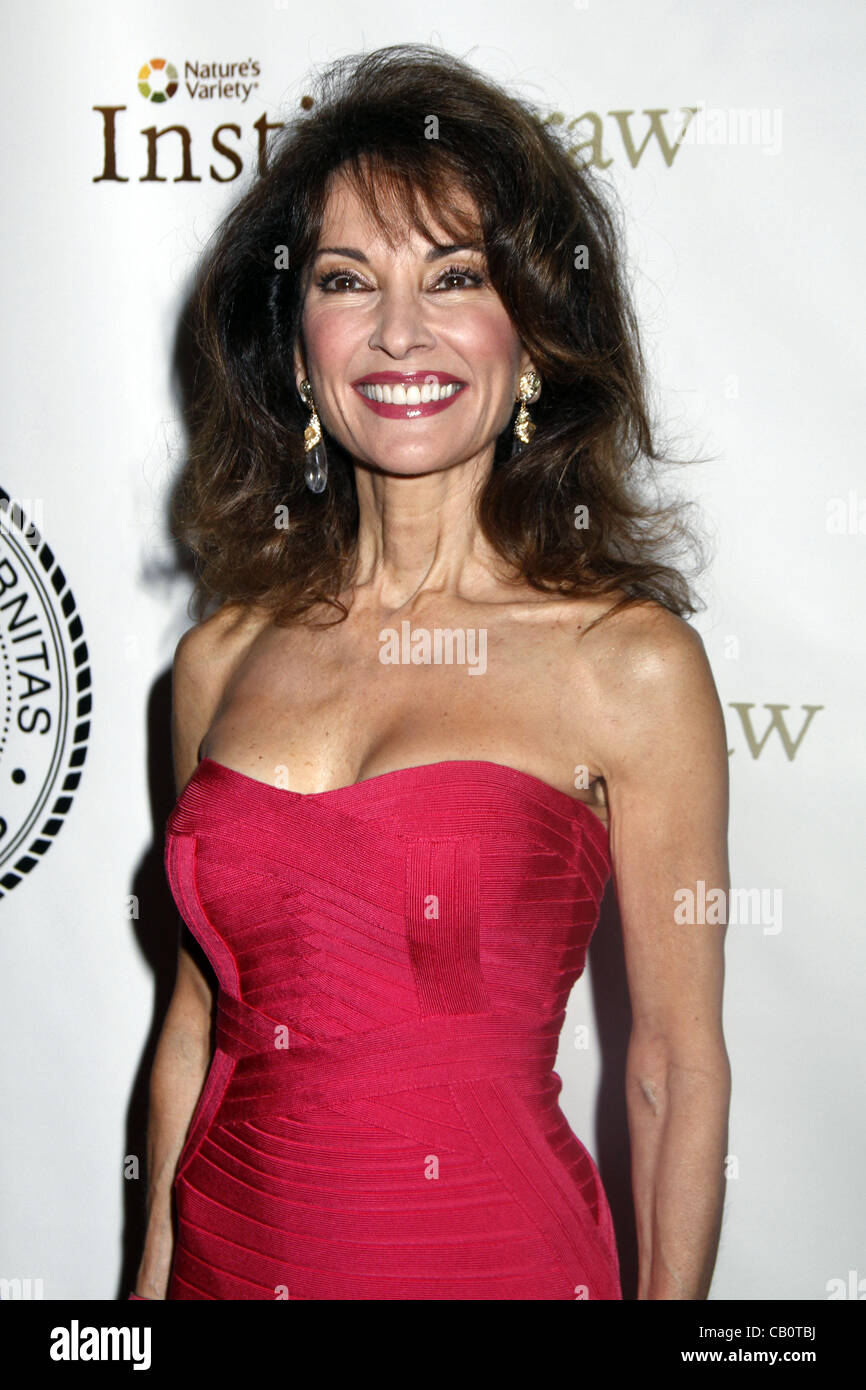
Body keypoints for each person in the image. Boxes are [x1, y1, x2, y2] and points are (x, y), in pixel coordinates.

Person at [131, 43, 731, 1300]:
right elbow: (197, 1028)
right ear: (299, 351)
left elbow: (670, 1066)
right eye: (348, 280)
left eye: (454, 277)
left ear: (533, 337)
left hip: (489, 1262)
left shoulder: (624, 665)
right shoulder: (216, 662)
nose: (399, 330)